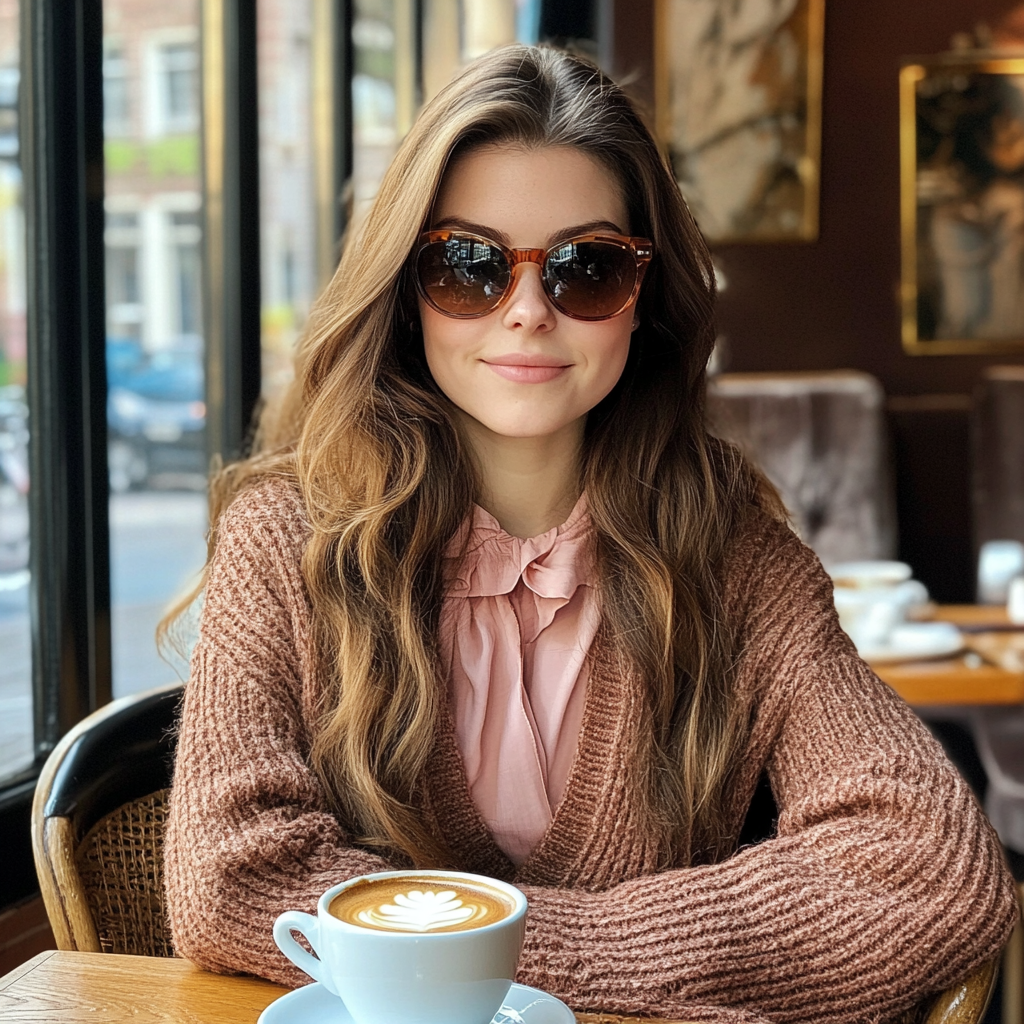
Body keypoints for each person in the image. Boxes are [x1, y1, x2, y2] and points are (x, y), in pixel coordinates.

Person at [164, 45, 1016, 1023]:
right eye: (468, 265)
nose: (527, 311)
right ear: (405, 291)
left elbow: (930, 864)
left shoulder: (734, 556)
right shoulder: (284, 540)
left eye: (588, 268)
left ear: (642, 301)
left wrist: (507, 956)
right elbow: (229, 884)